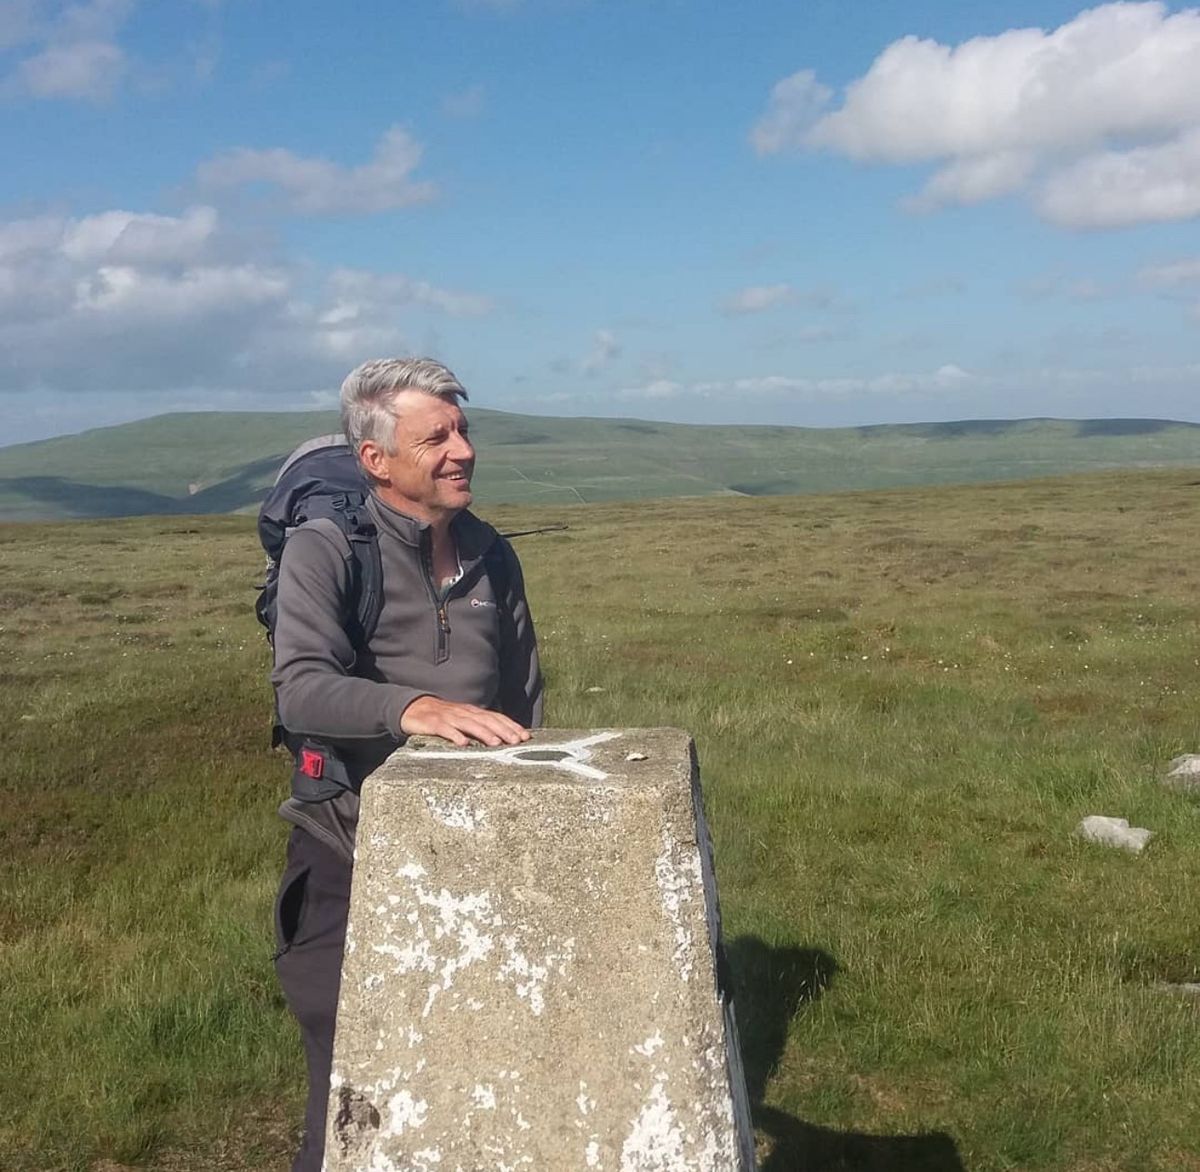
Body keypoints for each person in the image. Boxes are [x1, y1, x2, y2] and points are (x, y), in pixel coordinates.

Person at [269, 357, 543, 1172]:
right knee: (347, 1051)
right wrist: (412, 710)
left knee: (478, 1039)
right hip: (348, 843)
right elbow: (301, 690)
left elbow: (525, 696)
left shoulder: (492, 551)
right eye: (437, 437)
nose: (462, 450)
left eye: (463, 431)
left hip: (478, 847)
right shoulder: (327, 550)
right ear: (376, 461)